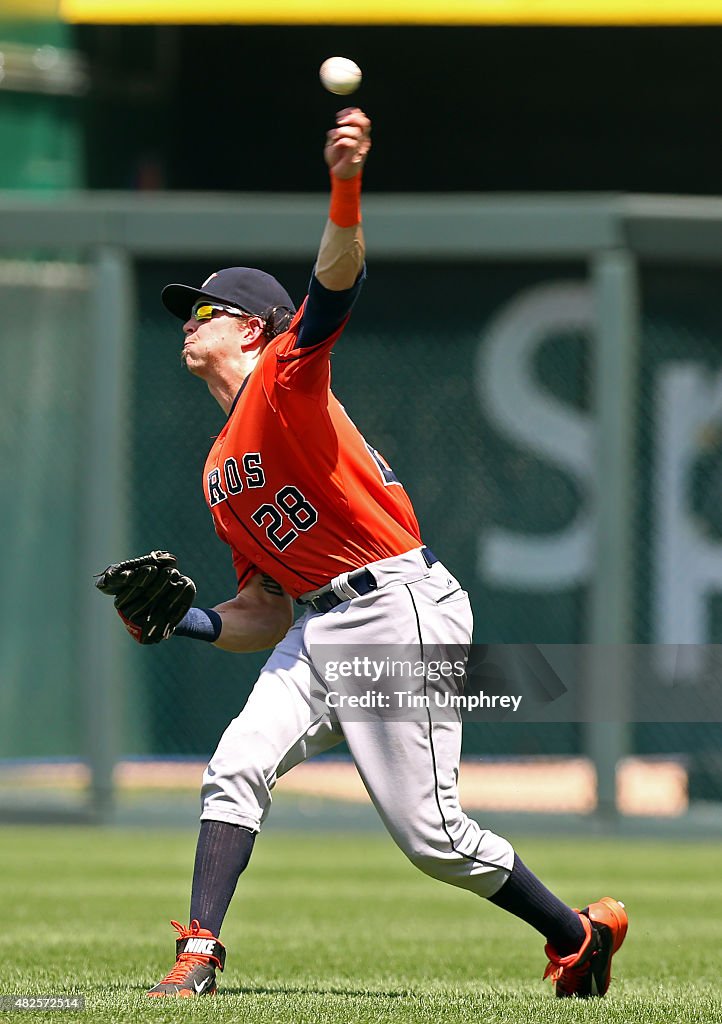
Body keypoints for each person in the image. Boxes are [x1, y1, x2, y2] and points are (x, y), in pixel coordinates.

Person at [114, 107, 628, 998]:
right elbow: (263, 612)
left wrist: (345, 181)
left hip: (397, 604)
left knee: (432, 837)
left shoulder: (285, 378)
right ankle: (198, 950)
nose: (187, 320)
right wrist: (186, 622)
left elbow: (337, 282)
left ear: (255, 328)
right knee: (236, 765)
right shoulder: (215, 471)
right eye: (186, 310)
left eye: (206, 308)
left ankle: (577, 933)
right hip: (316, 622)